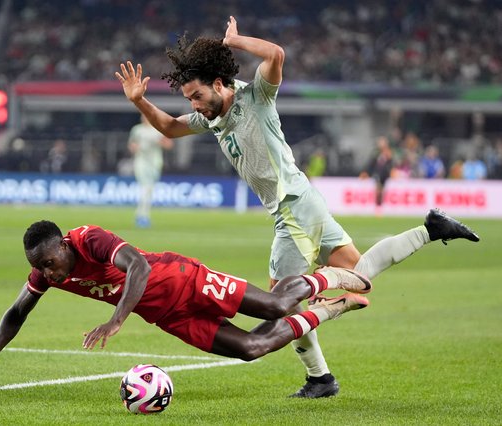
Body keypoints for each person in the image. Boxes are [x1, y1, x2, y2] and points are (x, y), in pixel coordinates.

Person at [115, 16, 481, 397]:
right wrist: (140, 100)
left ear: (219, 84)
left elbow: (275, 53)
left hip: (292, 208)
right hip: (303, 202)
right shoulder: (213, 117)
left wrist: (236, 41)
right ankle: (429, 229)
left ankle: (319, 378)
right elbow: (171, 128)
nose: (193, 104)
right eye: (189, 99)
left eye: (196, 96)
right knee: (356, 271)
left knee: (280, 303)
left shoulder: (254, 96)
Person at [0, 220, 372, 379]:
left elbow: (139, 267)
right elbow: (15, 312)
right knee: (250, 348)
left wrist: (115, 321)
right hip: (167, 316)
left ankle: (330, 275)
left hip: (185, 279)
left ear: (62, 244)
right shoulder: (47, 274)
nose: (47, 272)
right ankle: (330, 309)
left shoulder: (90, 239)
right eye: (40, 267)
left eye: (48, 262)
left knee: (276, 306)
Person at [128, 114, 173, 228]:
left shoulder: (157, 130)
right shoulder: (137, 130)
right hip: (141, 162)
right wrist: (135, 148)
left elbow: (169, 144)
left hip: (155, 163)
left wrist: (160, 143)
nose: (144, 118)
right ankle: (142, 216)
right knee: (146, 188)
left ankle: (141, 215)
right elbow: (132, 145)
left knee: (149, 189)